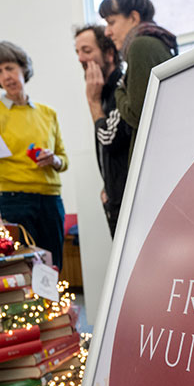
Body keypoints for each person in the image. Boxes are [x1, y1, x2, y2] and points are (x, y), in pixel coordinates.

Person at [0, 41, 70, 268]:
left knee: (52, 265)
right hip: (14, 200)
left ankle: (54, 305)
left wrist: (54, 160)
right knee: (24, 267)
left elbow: (63, 159)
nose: (6, 76)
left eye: (9, 68)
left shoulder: (48, 114)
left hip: (50, 199)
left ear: (23, 69)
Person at [99, 0, 178, 155]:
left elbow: (137, 116)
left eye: (111, 23)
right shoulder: (155, 43)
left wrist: (119, 90)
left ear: (134, 18)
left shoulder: (141, 46)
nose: (107, 32)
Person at [75, 24, 133, 236]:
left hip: (130, 202)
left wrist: (92, 101)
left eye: (87, 51)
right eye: (78, 52)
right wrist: (107, 185)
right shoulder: (104, 91)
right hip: (115, 197)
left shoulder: (121, 86)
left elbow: (110, 139)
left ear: (109, 54)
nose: (81, 58)